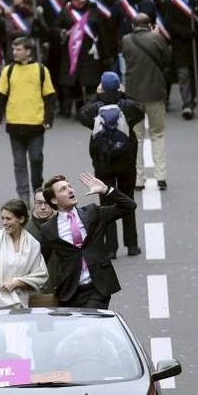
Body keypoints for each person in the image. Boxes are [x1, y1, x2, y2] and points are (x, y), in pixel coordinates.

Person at [39, 173, 136, 308]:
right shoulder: (48, 229)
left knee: (90, 324)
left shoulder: (92, 213)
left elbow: (129, 206)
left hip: (98, 287)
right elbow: (41, 260)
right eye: (63, 189)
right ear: (54, 200)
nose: (70, 190)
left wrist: (106, 190)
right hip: (69, 292)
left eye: (69, 187)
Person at [77, 72, 145, 257]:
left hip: (103, 161)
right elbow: (140, 110)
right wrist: (122, 94)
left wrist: (97, 96)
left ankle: (111, 248)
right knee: (127, 199)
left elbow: (82, 115)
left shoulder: (94, 109)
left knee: (106, 203)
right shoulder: (127, 106)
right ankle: (132, 245)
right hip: (126, 160)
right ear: (118, 87)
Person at [0, 37, 56, 202]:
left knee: (36, 158)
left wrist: (49, 118)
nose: (15, 52)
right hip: (15, 124)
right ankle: (24, 195)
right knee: (19, 163)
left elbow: (49, 97)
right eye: (13, 49)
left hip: (36, 124)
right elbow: (0, 96)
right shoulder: (8, 70)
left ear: (28, 51)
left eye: (18, 49)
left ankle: (37, 190)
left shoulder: (41, 70)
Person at [119, 13, 169, 190]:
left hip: (134, 94)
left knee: (136, 137)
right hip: (155, 92)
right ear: (150, 25)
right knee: (157, 134)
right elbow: (166, 60)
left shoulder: (126, 40)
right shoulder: (157, 39)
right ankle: (161, 176)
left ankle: (138, 179)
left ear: (133, 26)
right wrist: (156, 36)